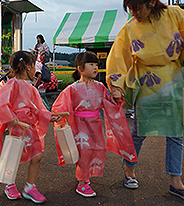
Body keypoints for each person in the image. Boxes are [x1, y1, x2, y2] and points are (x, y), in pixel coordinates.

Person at [106, 0, 184, 202]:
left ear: (152, 2)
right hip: (147, 80)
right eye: (131, 9)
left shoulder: (174, 14)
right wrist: (116, 84)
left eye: (138, 8)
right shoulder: (130, 27)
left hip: (171, 77)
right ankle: (129, 170)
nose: (134, 13)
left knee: (175, 133)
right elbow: (119, 55)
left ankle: (176, 182)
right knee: (140, 130)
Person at [0, 51, 61, 203]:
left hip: (29, 128)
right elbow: (0, 103)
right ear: (27, 67)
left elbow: (39, 108)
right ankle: (10, 184)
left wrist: (49, 117)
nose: (35, 70)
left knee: (37, 156)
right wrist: (11, 119)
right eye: (34, 66)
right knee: (13, 157)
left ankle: (30, 186)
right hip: (17, 128)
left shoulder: (30, 87)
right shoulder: (12, 84)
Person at [51, 51, 137, 197]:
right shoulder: (72, 88)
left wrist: (116, 96)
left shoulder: (100, 86)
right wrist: (58, 116)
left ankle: (84, 176)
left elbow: (110, 101)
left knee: (97, 148)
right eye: (91, 64)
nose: (95, 68)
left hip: (95, 123)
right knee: (84, 151)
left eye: (97, 65)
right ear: (80, 67)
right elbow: (60, 106)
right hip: (79, 125)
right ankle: (82, 182)